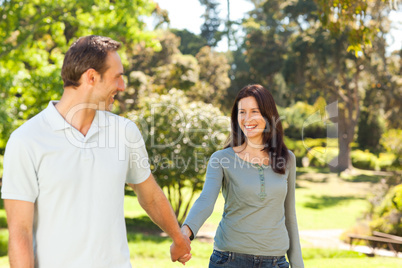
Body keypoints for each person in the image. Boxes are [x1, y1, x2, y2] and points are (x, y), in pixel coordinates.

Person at [1, 35, 191, 268]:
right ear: (91, 77)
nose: (122, 86)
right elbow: (20, 232)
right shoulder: (26, 140)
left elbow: (149, 195)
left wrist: (178, 237)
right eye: (117, 77)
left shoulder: (124, 132)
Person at [180, 84, 304, 267]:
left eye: (255, 111)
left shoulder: (287, 159)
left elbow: (290, 216)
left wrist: (297, 264)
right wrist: (184, 234)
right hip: (229, 260)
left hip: (276, 262)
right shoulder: (221, 159)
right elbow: (206, 200)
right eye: (242, 112)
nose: (247, 118)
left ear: (268, 115)